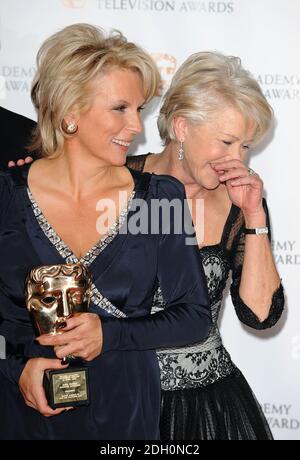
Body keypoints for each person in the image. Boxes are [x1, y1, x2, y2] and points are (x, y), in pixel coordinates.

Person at [0, 24, 212, 440]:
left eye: (140, 109)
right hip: (27, 411)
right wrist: (14, 369)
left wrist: (110, 334)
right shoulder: (7, 197)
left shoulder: (158, 199)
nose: (137, 128)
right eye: (121, 109)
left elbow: (193, 317)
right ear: (70, 112)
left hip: (126, 411)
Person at [126, 51, 284, 440]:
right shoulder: (116, 184)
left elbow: (261, 316)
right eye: (227, 141)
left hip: (210, 409)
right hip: (123, 400)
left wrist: (254, 218)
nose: (237, 159)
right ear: (181, 126)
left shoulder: (240, 201)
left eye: (246, 146)